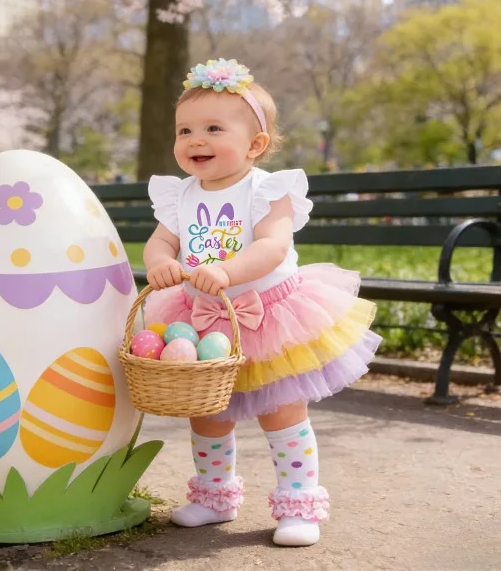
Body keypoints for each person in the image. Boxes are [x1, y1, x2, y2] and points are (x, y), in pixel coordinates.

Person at [142, 59, 381, 547]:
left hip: (268, 313)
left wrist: (227, 271)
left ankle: (299, 502)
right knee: (207, 412)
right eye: (184, 130)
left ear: (255, 144)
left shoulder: (265, 190)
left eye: (212, 128)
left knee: (282, 411)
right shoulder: (180, 196)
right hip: (203, 319)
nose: (194, 140)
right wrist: (159, 261)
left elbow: (272, 246)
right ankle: (214, 496)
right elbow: (161, 242)